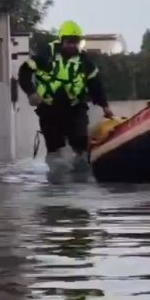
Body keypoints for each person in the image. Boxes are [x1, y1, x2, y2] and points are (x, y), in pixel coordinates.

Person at [18, 20, 113, 180]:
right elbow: (24, 71)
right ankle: (57, 185)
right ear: (62, 41)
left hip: (75, 109)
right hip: (49, 110)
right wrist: (31, 93)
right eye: (69, 42)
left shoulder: (85, 62)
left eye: (76, 42)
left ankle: (81, 172)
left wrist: (105, 106)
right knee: (55, 148)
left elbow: (95, 85)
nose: (72, 46)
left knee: (80, 141)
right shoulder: (46, 56)